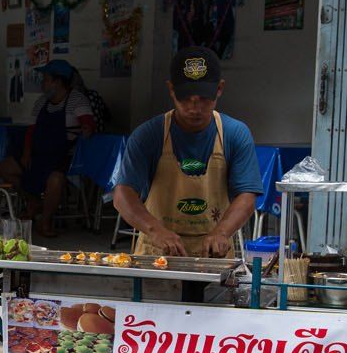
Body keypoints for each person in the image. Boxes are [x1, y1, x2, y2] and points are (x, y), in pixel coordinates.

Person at [111, 46, 262, 298]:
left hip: (214, 257)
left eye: (204, 98)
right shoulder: (149, 135)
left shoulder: (235, 134)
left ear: (220, 89)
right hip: (157, 256)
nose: (195, 107)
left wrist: (222, 232)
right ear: (171, 90)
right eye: (185, 98)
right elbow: (123, 195)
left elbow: (246, 195)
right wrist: (156, 230)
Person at [0, 59, 94, 237]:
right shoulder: (42, 102)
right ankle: (33, 201)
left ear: (58, 82)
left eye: (45, 79)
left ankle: (45, 222)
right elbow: (31, 132)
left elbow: (88, 125)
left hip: (64, 156)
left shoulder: (77, 100)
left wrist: (86, 129)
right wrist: (26, 153)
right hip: (38, 152)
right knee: (5, 168)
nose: (42, 83)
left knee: (55, 180)